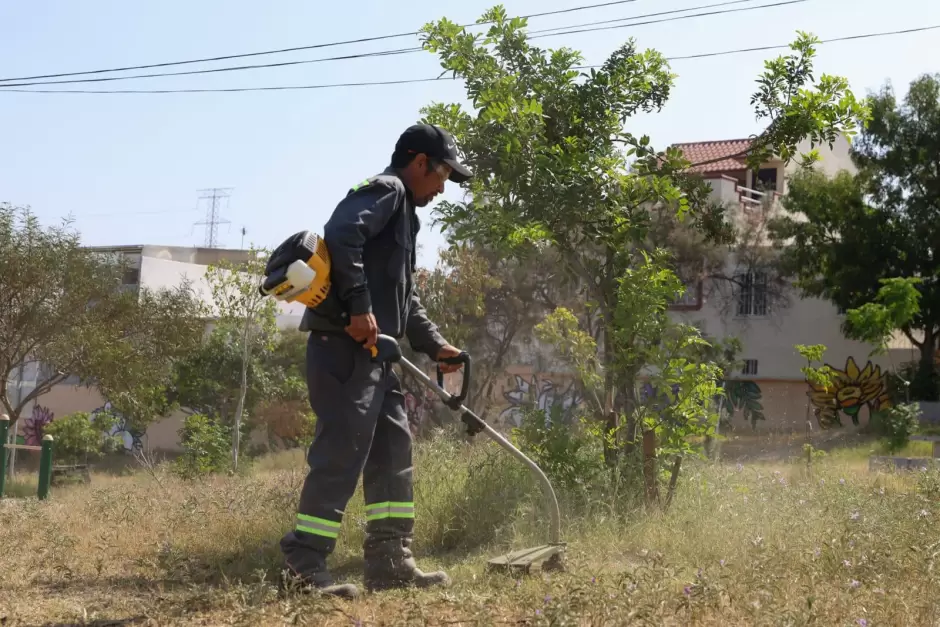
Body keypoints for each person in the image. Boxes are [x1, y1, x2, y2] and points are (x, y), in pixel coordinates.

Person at [279, 123, 474, 598]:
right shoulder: (386, 190)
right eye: (442, 174)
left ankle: (390, 561)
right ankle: (303, 564)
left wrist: (435, 346)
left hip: (376, 357)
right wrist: (361, 306)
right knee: (341, 451)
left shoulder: (405, 214)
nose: (443, 187)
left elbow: (404, 299)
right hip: (343, 351)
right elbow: (341, 235)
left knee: (393, 451)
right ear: (420, 163)